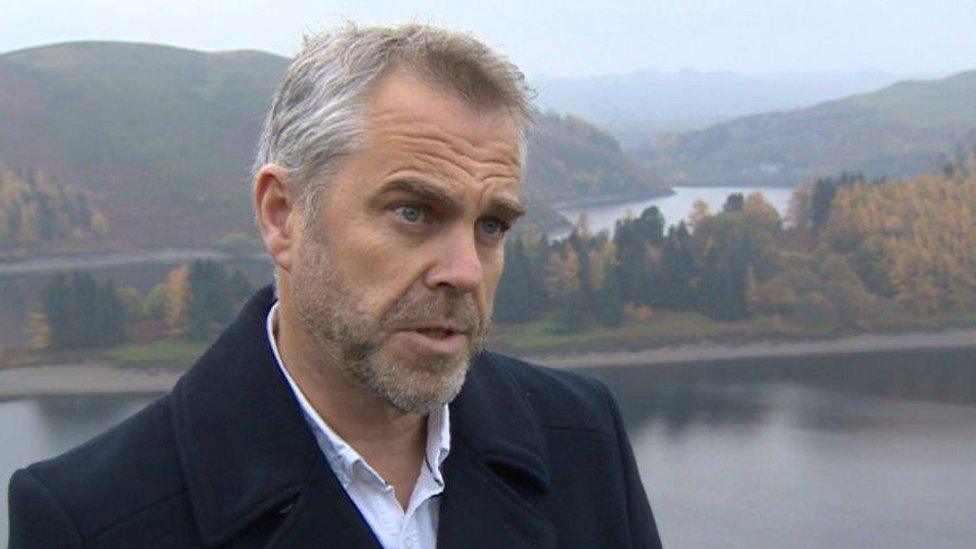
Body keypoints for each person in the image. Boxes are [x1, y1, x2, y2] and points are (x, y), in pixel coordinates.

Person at [7, 24, 662, 548]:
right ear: (282, 215)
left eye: (490, 224)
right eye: (414, 211)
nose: (463, 269)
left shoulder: (579, 433)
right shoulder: (90, 520)